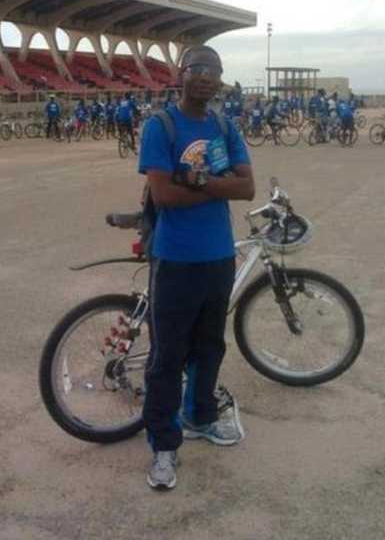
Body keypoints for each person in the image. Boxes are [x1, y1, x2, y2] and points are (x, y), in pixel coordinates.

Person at [138, 44, 253, 490]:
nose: (205, 76)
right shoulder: (161, 126)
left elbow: (247, 188)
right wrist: (218, 184)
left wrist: (195, 179)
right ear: (181, 74)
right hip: (176, 259)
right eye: (197, 68)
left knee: (209, 348)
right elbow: (164, 195)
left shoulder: (224, 126)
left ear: (220, 79)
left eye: (213, 70)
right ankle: (164, 445)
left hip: (218, 257)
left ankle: (200, 417)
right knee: (167, 357)